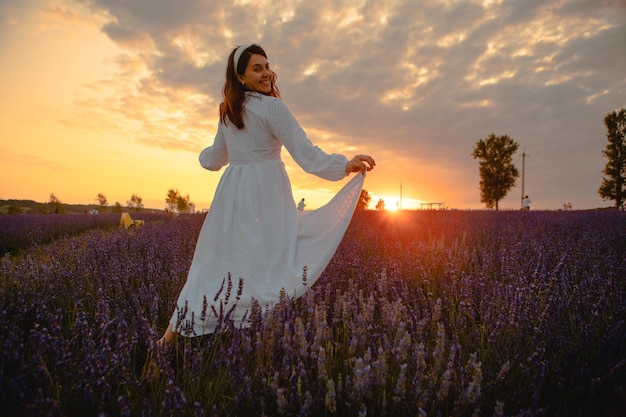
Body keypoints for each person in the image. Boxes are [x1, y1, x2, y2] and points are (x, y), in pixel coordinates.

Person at [157, 44, 375, 346]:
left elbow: (213, 160)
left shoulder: (228, 111)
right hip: (266, 195)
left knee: (213, 267)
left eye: (266, 66)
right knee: (268, 270)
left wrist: (201, 155)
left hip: (231, 197)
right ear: (241, 77)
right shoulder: (272, 107)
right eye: (257, 68)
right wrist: (343, 164)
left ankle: (165, 343)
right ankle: (263, 350)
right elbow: (306, 153)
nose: (266, 74)